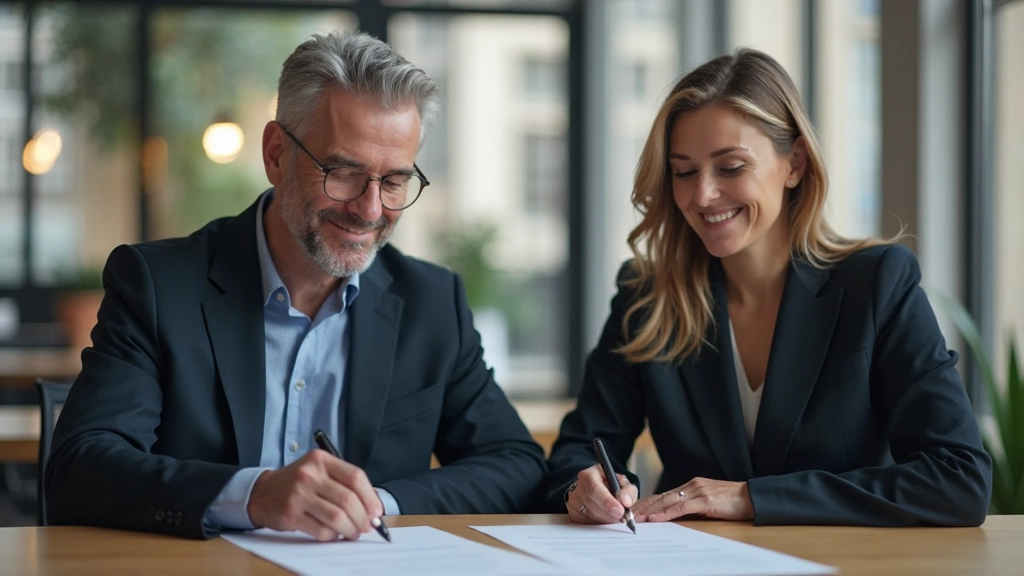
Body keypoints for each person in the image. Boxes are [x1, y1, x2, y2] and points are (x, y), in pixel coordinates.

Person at [46, 31, 546, 540]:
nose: (370, 210)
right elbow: (79, 468)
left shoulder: (431, 302)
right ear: (276, 154)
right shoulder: (157, 286)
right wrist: (253, 494)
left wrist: (378, 504)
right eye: (344, 172)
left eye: (394, 181)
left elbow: (515, 463)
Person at [545, 48, 992, 527]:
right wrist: (584, 486)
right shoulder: (648, 297)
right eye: (684, 171)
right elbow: (578, 448)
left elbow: (958, 478)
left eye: (731, 167)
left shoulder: (878, 284)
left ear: (795, 162)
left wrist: (751, 498)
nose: (702, 195)